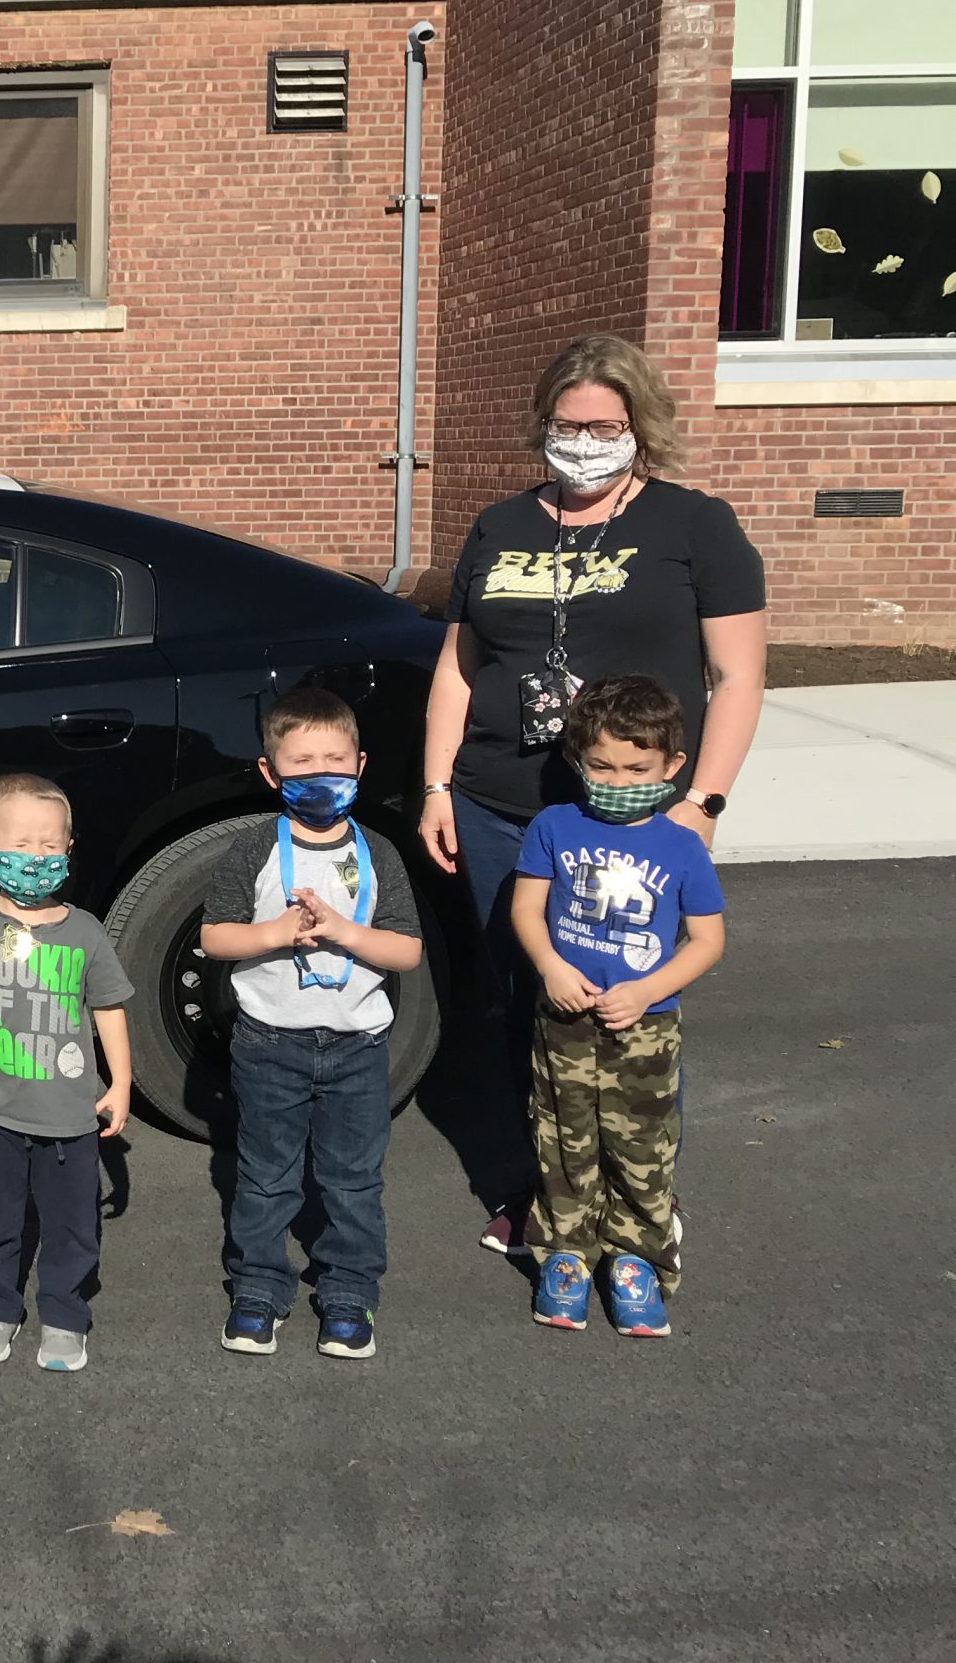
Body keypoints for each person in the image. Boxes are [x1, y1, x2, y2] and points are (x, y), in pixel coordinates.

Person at [417, 333, 764, 1259]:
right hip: (502, 804)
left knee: (629, 1005)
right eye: (567, 425)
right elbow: (460, 666)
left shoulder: (697, 527)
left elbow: (737, 678)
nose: (583, 441)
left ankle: (640, 1200)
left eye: (604, 425)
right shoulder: (500, 525)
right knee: (524, 999)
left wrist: (702, 806)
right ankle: (540, 1190)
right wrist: (436, 785)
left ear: (639, 428)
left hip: (636, 815)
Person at [200, 688, 423, 1361]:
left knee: (354, 1179)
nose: (319, 774)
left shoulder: (378, 851)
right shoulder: (252, 849)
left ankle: (350, 1296)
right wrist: (275, 932)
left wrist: (344, 933)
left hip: (358, 1045)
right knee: (267, 1175)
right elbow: (215, 937)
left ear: (360, 765)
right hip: (269, 1041)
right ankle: (259, 1291)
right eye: (300, 764)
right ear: (271, 774)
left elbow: (406, 951)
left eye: (333, 759)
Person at [509, 675, 725, 1338]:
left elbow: (708, 940)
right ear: (578, 761)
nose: (619, 780)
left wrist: (649, 989)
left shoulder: (683, 845)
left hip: (645, 1028)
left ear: (671, 767)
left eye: (638, 768)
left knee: (640, 1147)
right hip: (565, 1019)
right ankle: (566, 1254)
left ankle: (637, 1259)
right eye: (602, 765)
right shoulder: (555, 825)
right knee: (562, 1138)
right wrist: (549, 965)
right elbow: (526, 908)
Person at [0, 774, 133, 1374]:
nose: (37, 858)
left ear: (69, 851)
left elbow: (108, 1010)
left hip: (68, 1118)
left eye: (50, 846)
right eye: (22, 844)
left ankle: (65, 1315)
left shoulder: (86, 932)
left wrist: (120, 1082)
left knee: (72, 1227)